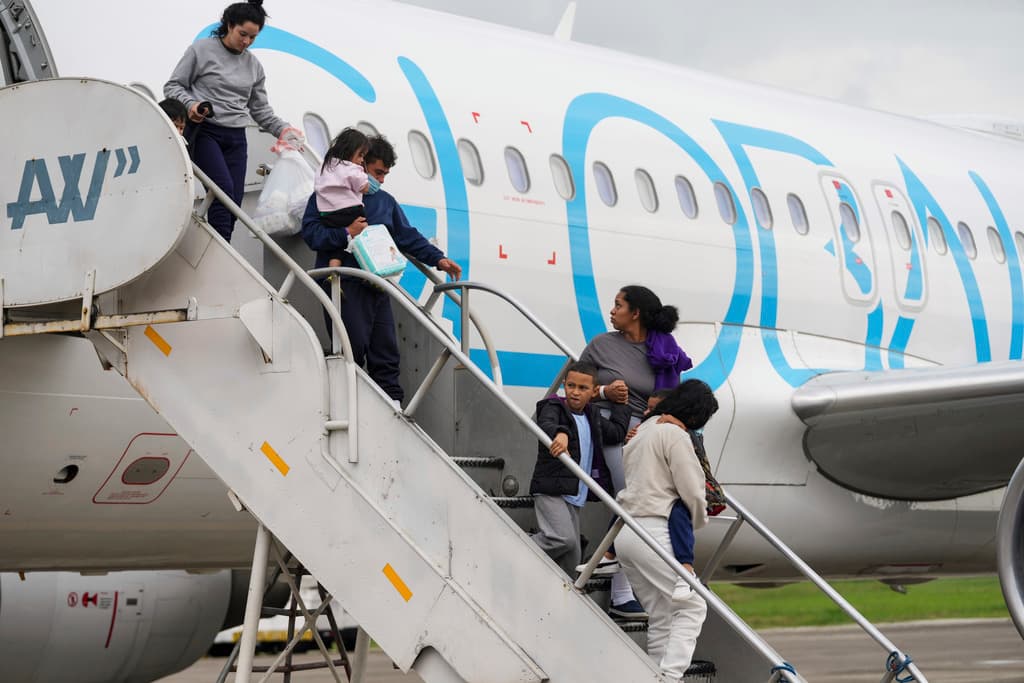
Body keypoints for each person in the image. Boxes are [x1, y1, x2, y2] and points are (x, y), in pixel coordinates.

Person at [301, 134, 462, 404]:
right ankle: (347, 405)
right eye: (377, 172)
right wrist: (345, 234)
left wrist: (438, 259)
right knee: (351, 348)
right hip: (345, 286)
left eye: (386, 174)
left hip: (378, 286)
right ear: (359, 166)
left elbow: (406, 235)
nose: (382, 180)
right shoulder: (327, 196)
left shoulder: (384, 201)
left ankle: (393, 407)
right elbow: (311, 234)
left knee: (386, 353)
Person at [579, 285, 693, 619]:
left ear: (636, 313)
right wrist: (603, 390)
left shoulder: (663, 350)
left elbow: (674, 398)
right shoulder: (601, 345)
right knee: (631, 495)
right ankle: (619, 587)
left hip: (646, 431)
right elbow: (573, 387)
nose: (611, 311)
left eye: (618, 305)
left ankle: (619, 578)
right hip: (611, 425)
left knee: (646, 500)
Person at [164, 0, 299, 241]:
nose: (246, 41)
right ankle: (219, 251)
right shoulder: (201, 50)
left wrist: (283, 130)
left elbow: (260, 110)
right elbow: (173, 86)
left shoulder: (254, 66)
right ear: (229, 25)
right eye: (242, 34)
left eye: (253, 37)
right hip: (206, 130)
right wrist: (191, 105)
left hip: (236, 137)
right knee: (222, 193)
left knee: (234, 203)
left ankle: (216, 248)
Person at [615, 379, 719, 681]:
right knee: (693, 607)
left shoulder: (643, 430)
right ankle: (670, 678)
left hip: (627, 534)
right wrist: (699, 519)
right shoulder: (674, 434)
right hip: (656, 532)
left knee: (662, 616)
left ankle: (655, 675)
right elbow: (692, 489)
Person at [528, 361, 630, 575]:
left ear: (594, 392)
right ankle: (517, 548)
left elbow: (616, 433)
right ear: (564, 384)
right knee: (561, 538)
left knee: (572, 559)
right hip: (551, 489)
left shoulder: (592, 416)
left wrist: (621, 403)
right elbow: (546, 423)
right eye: (571, 386)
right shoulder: (553, 406)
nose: (575, 392)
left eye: (582, 388)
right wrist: (561, 433)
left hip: (574, 494)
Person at [314, 128, 371, 268]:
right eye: (361, 155)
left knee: (340, 243)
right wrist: (365, 178)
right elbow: (364, 187)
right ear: (349, 151)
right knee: (364, 234)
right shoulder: (351, 168)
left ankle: (334, 266)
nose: (362, 160)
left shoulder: (325, 166)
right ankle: (372, 268)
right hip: (350, 211)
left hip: (327, 214)